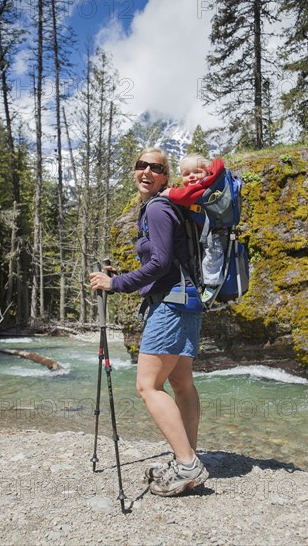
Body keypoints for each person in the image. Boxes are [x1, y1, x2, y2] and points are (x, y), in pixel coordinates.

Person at [90, 147, 208, 497]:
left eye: (155, 168)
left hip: (171, 307)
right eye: (140, 165)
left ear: (165, 178)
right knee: (182, 383)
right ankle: (186, 458)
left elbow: (158, 264)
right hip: (188, 302)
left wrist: (115, 283)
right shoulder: (172, 207)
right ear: (134, 171)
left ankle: (187, 464)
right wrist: (124, 276)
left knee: (147, 386)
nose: (146, 171)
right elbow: (166, 263)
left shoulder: (157, 208)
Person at [161, 154, 227, 302]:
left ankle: (212, 284)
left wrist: (170, 193)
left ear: (207, 173)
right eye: (186, 174)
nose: (191, 177)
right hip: (202, 232)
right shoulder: (199, 186)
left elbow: (186, 196)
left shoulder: (203, 187)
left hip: (214, 232)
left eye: (196, 172)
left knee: (212, 256)